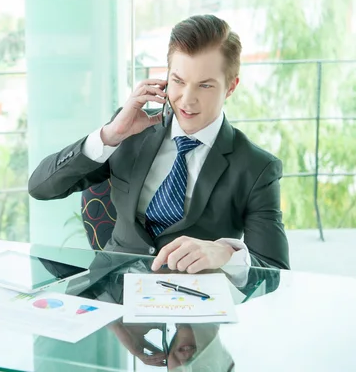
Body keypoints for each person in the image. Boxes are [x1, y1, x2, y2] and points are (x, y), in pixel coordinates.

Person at [28, 14, 290, 272]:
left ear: (231, 87)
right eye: (178, 81)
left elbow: (275, 270)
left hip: (195, 302)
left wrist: (226, 253)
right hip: (111, 291)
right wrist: (110, 135)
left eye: (205, 86)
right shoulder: (131, 132)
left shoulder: (256, 168)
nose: (187, 100)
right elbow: (41, 187)